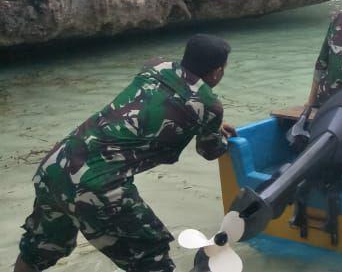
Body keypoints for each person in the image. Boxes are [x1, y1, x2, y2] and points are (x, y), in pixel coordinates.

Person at [14, 35, 236, 272]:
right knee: (150, 258)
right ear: (216, 72)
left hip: (56, 164)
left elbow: (161, 101)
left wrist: (206, 123)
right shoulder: (210, 106)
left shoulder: (155, 65)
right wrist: (212, 127)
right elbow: (209, 151)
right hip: (98, 184)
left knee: (39, 247)